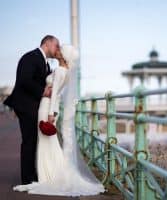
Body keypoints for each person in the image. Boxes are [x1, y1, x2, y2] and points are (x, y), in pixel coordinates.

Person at [12, 44, 105, 196]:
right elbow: (58, 94)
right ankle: (51, 173)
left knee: (45, 142)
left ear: (64, 56)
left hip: (46, 107)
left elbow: (55, 93)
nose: (58, 51)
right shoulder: (66, 72)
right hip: (51, 107)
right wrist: (55, 112)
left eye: (60, 50)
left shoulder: (59, 70)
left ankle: (48, 176)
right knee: (50, 142)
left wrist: (50, 114)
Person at [3, 35, 57, 184]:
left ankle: (32, 175)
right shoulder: (30, 57)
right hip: (25, 105)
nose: (57, 49)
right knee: (29, 141)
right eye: (56, 45)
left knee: (33, 140)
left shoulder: (45, 62)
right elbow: (24, 79)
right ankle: (27, 179)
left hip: (32, 106)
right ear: (47, 44)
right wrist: (43, 91)